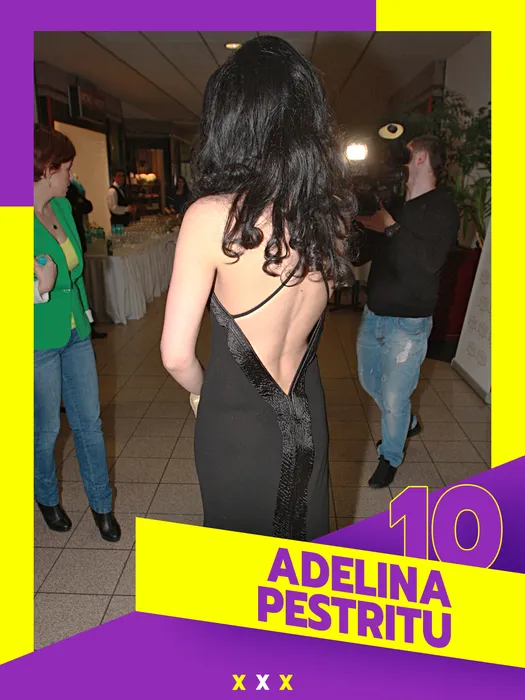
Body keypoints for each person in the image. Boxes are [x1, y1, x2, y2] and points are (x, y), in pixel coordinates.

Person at [160, 36, 355, 541]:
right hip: (308, 412)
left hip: (236, 425)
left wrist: (204, 392)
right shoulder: (329, 217)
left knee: (239, 566)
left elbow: (175, 355)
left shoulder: (212, 218)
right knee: (302, 562)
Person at [353, 134, 460, 489]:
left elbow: (430, 261)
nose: (400, 155)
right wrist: (351, 226)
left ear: (422, 157)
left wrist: (391, 226)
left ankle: (390, 456)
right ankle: (406, 421)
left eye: (408, 150)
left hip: (409, 323)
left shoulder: (443, 207)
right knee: (370, 381)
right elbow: (364, 255)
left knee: (394, 397)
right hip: (374, 314)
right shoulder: (394, 205)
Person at [34, 125, 121, 542]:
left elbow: (74, 271)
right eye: (66, 168)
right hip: (36, 340)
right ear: (46, 169)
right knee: (47, 430)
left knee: (89, 423)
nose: (71, 175)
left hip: (76, 333)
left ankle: (102, 506)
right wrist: (39, 288)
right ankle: (46, 495)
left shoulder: (63, 208)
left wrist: (84, 312)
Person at [66, 179, 107, 339]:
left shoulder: (73, 188)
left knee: (81, 284)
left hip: (78, 243)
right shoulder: (62, 197)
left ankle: (87, 323)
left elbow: (88, 206)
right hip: (71, 244)